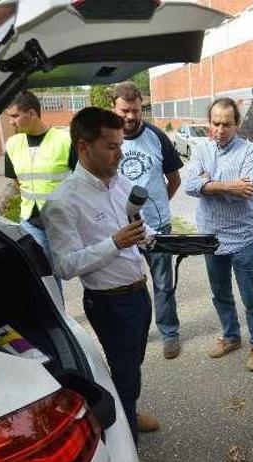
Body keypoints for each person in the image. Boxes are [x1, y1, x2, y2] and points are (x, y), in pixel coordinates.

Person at [42, 108, 161, 462]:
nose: (120, 154)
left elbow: (139, 229)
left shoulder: (120, 182)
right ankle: (130, 459)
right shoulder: (63, 202)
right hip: (109, 303)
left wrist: (148, 235)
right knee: (123, 373)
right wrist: (114, 243)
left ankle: (130, 408)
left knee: (133, 365)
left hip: (139, 294)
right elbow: (64, 265)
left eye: (120, 145)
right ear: (83, 147)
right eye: (111, 147)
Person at [184, 97, 253, 372]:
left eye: (227, 124)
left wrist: (209, 184)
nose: (221, 129)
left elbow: (244, 193)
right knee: (220, 292)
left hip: (243, 236)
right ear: (210, 122)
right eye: (216, 123)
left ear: (237, 124)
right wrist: (227, 186)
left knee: (250, 295)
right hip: (211, 236)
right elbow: (189, 185)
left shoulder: (250, 151)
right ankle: (231, 336)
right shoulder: (201, 149)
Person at [110, 82, 185, 360]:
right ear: (114, 107)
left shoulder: (156, 136)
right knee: (125, 285)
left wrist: (159, 208)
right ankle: (131, 334)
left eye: (136, 110)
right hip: (121, 228)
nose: (130, 116)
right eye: (124, 110)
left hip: (157, 226)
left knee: (163, 283)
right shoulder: (107, 137)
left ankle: (169, 333)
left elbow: (174, 178)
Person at [3, 91, 74, 259]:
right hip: (29, 221)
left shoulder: (65, 140)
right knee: (43, 272)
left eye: (15, 116)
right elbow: (17, 182)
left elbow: (82, 179)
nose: (11, 122)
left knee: (70, 266)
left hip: (61, 220)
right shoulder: (12, 144)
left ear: (32, 113)